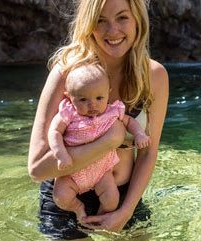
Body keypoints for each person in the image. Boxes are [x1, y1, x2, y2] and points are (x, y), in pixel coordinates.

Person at [27, 0, 168, 241]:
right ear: (88, 24)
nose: (112, 31)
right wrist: (110, 141)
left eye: (122, 18)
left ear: (138, 20)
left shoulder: (155, 76)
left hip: (124, 197)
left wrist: (124, 212)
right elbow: (36, 169)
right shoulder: (67, 72)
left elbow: (149, 152)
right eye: (100, 20)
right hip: (67, 199)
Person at [49, 61, 150, 221]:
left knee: (111, 199)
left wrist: (139, 134)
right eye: (83, 99)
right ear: (69, 96)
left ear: (108, 93)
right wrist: (61, 154)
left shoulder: (112, 111)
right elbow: (54, 132)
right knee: (61, 197)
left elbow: (129, 121)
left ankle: (100, 218)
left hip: (102, 172)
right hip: (72, 171)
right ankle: (78, 208)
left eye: (99, 98)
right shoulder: (68, 113)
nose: (92, 104)